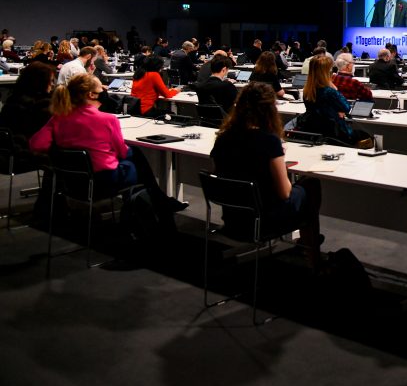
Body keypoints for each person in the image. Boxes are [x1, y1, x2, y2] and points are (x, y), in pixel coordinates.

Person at [30, 74, 187, 213]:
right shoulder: (107, 120)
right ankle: (155, 205)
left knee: (135, 156)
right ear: (92, 94)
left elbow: (36, 144)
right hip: (104, 180)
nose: (105, 91)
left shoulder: (59, 117)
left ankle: (158, 202)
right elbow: (122, 152)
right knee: (136, 158)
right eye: (101, 88)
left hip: (69, 180)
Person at [212, 82, 322, 269]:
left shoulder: (223, 138)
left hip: (233, 219)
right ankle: (313, 256)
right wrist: (279, 160)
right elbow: (285, 193)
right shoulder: (269, 141)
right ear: (270, 110)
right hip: (265, 220)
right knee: (310, 185)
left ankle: (308, 246)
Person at [300, 55, 355, 143]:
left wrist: (335, 111)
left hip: (311, 130)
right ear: (326, 72)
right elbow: (347, 107)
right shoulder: (329, 91)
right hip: (333, 132)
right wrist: (335, 88)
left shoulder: (307, 90)